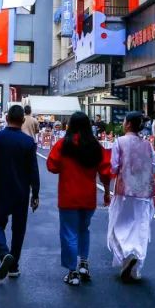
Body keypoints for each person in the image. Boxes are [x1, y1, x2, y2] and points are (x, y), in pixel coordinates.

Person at [46, 112, 111, 286]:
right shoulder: (95, 146)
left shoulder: (63, 144)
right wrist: (106, 192)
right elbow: (106, 171)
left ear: (70, 126)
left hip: (68, 196)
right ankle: (84, 263)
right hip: (88, 197)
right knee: (84, 229)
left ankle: (72, 271)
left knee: (69, 232)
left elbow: (52, 166)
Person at [0, 104, 40, 280]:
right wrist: (35, 194)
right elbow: (33, 170)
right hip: (21, 192)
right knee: (18, 230)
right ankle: (14, 266)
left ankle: (4, 253)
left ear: (7, 118)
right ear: (23, 120)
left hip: (2, 190)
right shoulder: (28, 142)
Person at [106, 112, 155, 283]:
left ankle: (126, 254)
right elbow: (154, 167)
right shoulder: (148, 145)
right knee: (140, 227)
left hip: (124, 190)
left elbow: (114, 167)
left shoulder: (119, 142)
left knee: (118, 225)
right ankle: (136, 262)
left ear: (128, 124)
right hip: (144, 191)